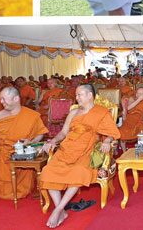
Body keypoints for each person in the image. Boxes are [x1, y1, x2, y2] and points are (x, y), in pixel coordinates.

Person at [40, 84, 119, 228]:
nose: (76, 98)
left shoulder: (101, 112)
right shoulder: (73, 113)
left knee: (79, 171)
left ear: (89, 95)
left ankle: (58, 209)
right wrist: (53, 141)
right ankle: (62, 210)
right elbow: (63, 133)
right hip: (67, 148)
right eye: (76, 95)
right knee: (47, 171)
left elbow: (112, 133)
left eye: (79, 95)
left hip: (86, 150)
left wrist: (107, 141)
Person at [0, 87, 47, 200]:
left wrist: (31, 142)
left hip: (22, 155)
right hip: (2, 154)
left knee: (24, 187)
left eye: (4, 99)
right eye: (0, 99)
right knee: (4, 193)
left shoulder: (31, 115)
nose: (1, 102)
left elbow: (40, 133)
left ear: (16, 98)